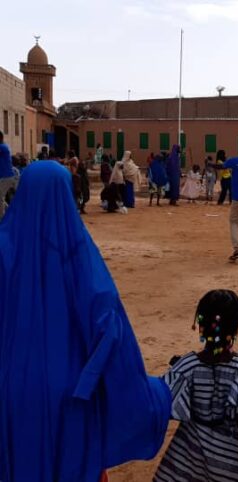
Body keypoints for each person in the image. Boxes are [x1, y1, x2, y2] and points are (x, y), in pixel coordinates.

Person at [0, 162, 171, 481]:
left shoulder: (4, 246)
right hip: (70, 394)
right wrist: (139, 392)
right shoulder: (78, 251)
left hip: (8, 389)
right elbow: (108, 326)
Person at [153, 290, 238, 482]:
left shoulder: (186, 366)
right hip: (228, 457)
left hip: (187, 454)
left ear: (200, 325)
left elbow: (162, 403)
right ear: (237, 328)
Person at [0, 130, 16, 220]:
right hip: (6, 177)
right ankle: (8, 212)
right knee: (2, 198)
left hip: (6, 177)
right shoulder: (3, 147)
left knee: (0, 197)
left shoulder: (2, 147)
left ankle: (2, 218)